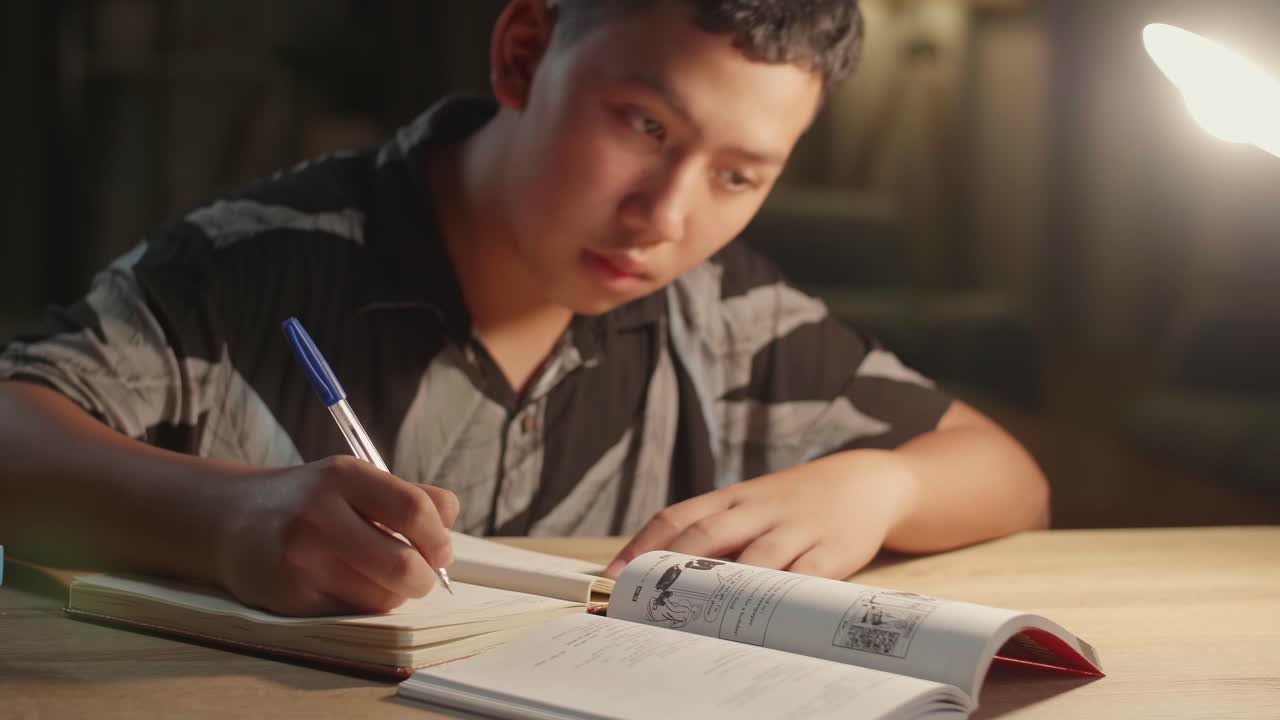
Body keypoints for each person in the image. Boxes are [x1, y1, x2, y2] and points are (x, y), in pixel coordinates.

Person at [0, 0, 1047, 617]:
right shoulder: (256, 266)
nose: (663, 219)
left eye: (739, 175)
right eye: (642, 125)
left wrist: (875, 487)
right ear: (522, 54)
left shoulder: (724, 317)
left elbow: (1005, 475)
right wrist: (222, 517)